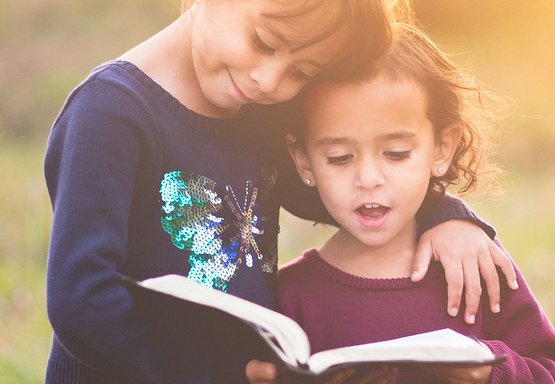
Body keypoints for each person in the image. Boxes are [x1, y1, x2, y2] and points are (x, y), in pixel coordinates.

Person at [44, 1, 515, 383]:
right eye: (263, 41)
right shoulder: (110, 113)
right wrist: (219, 375)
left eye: (302, 71)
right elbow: (82, 301)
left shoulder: (256, 110)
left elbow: (349, 194)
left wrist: (448, 217)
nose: (270, 80)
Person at [276, 23, 555, 383]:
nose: (368, 178)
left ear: (442, 148)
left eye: (396, 153)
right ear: (304, 161)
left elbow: (554, 374)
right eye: (339, 157)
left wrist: (489, 368)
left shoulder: (472, 263)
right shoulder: (291, 296)